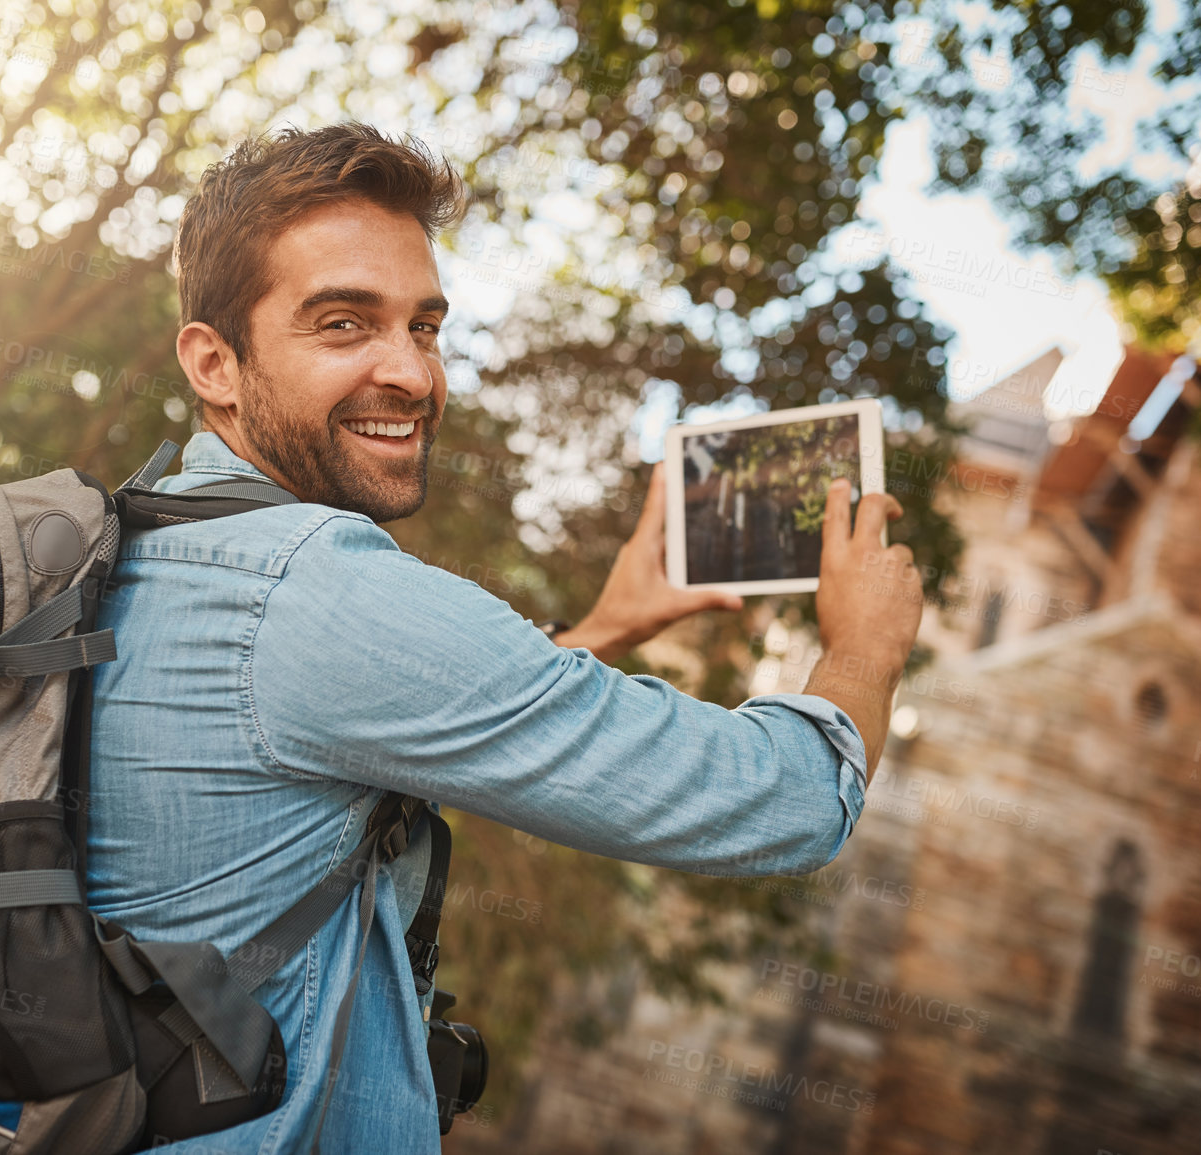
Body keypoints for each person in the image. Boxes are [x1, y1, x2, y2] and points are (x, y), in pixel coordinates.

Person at [86, 123, 923, 1153]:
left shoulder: (141, 543)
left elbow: (345, 721)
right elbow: (787, 802)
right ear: (215, 362)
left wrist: (605, 627)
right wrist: (865, 650)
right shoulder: (317, 593)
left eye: (425, 327)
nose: (413, 374)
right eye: (344, 324)